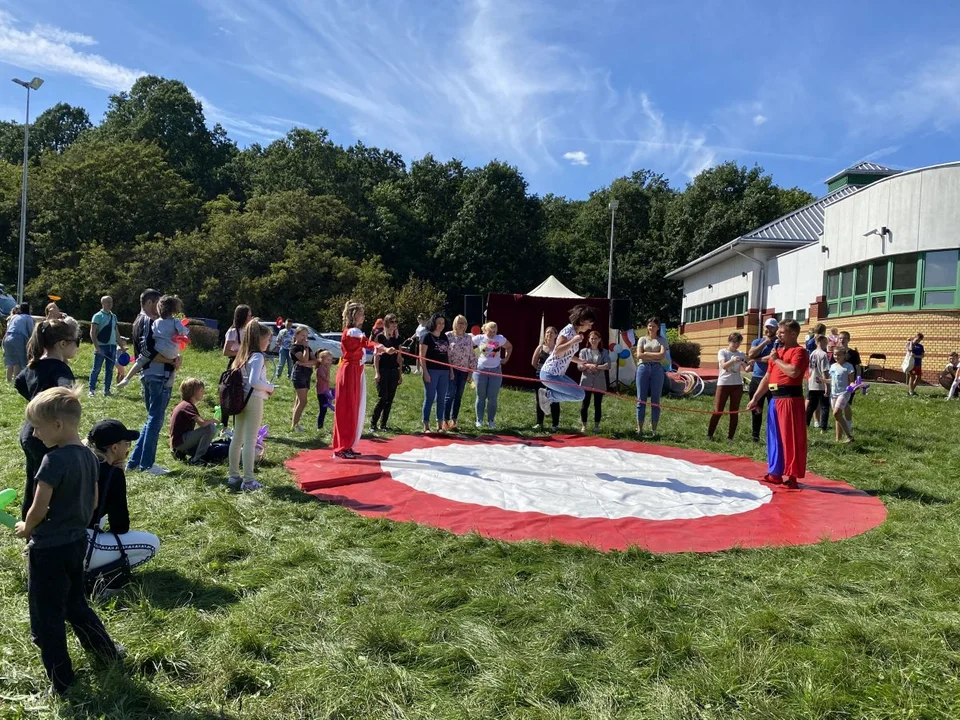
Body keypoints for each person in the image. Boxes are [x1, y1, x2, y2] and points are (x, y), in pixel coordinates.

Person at [14, 387, 121, 696]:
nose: (34, 434)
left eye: (37, 426)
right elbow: (95, 499)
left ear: (58, 426)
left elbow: (39, 505)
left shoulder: (52, 460)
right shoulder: (90, 456)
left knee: (48, 615)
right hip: (77, 543)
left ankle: (61, 681)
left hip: (48, 550)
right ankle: (106, 652)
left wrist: (27, 526)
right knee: (75, 603)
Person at [15, 318, 80, 519]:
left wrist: (36, 402)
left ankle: (27, 521)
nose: (77, 347)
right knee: (47, 484)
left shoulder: (34, 365)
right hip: (48, 434)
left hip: (30, 431)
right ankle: (40, 527)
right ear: (63, 343)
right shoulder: (60, 368)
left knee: (33, 478)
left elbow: (19, 382)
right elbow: (66, 391)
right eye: (76, 342)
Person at [85, 419, 161, 579]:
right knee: (152, 544)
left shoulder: (81, 461)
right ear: (114, 447)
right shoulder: (113, 474)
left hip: (57, 540)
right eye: (126, 443)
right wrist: (118, 474)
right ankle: (102, 577)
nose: (128, 447)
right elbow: (120, 526)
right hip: (81, 545)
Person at [123, 290, 182, 476]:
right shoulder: (149, 322)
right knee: (155, 420)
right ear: (149, 302)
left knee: (151, 420)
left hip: (148, 375)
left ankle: (133, 462)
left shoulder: (138, 321)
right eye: (157, 304)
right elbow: (147, 351)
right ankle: (147, 464)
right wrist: (172, 361)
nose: (160, 309)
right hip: (157, 375)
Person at [746, 319, 809, 489]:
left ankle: (793, 475)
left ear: (793, 334)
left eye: (782, 332)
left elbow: (794, 372)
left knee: (790, 438)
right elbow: (767, 378)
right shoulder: (777, 352)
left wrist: (777, 359)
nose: (778, 335)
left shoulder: (800, 352)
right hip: (775, 398)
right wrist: (755, 398)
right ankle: (775, 472)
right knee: (774, 438)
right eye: (779, 332)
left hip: (790, 399)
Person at [332, 301, 395, 458]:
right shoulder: (352, 331)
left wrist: (382, 349)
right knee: (347, 409)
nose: (364, 317)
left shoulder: (354, 331)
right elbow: (367, 343)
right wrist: (384, 348)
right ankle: (342, 447)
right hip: (349, 372)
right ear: (354, 315)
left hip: (355, 372)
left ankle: (347, 444)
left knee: (353, 408)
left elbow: (364, 345)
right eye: (361, 313)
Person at [227, 318, 275, 490]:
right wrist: (269, 387)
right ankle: (248, 480)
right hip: (253, 400)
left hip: (240, 400)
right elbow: (255, 381)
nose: (269, 342)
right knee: (250, 440)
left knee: (237, 438)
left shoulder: (242, 355)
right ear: (259, 339)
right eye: (268, 339)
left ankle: (233, 476)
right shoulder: (258, 356)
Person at [116, 295, 188, 389]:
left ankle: (127, 378)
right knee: (176, 359)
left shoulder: (156, 322)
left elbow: (153, 334)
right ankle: (170, 380)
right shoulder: (175, 321)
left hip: (158, 349)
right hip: (172, 351)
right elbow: (184, 332)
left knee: (141, 360)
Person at [537, 305, 597, 416]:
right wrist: (573, 341)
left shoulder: (575, 333)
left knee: (579, 394)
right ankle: (548, 396)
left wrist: (582, 362)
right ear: (583, 321)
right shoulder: (568, 331)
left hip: (558, 374)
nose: (590, 328)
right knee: (580, 395)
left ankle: (548, 396)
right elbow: (557, 351)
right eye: (590, 324)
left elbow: (567, 355)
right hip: (550, 374)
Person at [472, 321, 513, 430]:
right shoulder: (479, 338)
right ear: (485, 330)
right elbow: (468, 345)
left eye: (494, 331)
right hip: (481, 370)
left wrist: (506, 358)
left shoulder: (500, 339)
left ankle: (491, 421)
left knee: (492, 398)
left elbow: (509, 347)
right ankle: (479, 420)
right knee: (480, 396)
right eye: (490, 331)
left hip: (496, 370)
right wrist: (472, 359)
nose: (492, 334)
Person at [708, 332, 746, 441]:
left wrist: (748, 364)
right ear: (729, 341)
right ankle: (709, 434)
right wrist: (733, 360)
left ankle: (730, 437)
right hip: (724, 383)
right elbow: (723, 366)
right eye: (733, 342)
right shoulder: (723, 352)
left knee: (734, 412)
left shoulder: (741, 354)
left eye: (738, 342)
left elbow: (746, 368)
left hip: (737, 385)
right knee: (718, 410)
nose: (735, 344)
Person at [170, 378, 218, 463]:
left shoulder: (183, 404)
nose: (203, 393)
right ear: (193, 392)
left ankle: (180, 453)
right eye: (201, 391)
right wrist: (213, 421)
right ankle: (197, 459)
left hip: (178, 442)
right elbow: (202, 423)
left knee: (210, 451)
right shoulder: (187, 406)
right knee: (211, 428)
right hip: (180, 442)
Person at [634, 317, 669, 436]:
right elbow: (639, 355)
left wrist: (646, 354)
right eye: (649, 325)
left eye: (654, 326)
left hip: (657, 369)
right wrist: (653, 355)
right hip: (643, 368)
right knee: (641, 400)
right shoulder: (642, 339)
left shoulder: (662, 340)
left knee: (655, 400)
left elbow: (661, 356)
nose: (651, 328)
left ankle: (654, 430)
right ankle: (640, 429)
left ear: (658, 327)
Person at [746, 318, 779, 442]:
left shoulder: (779, 343)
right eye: (767, 327)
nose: (768, 329)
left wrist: (757, 359)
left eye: (771, 327)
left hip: (772, 381)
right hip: (757, 379)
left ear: (776, 329)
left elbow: (771, 359)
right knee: (756, 408)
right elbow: (751, 354)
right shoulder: (757, 341)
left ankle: (773, 437)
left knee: (773, 409)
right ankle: (755, 436)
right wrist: (764, 343)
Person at [419, 313, 452, 433]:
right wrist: (425, 372)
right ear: (433, 323)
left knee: (442, 398)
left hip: (444, 371)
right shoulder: (426, 337)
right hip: (431, 371)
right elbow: (421, 356)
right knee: (430, 397)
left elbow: (447, 355)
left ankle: (439, 425)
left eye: (443, 323)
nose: (441, 325)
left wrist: (451, 370)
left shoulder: (444, 337)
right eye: (438, 323)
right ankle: (426, 425)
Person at [88, 296, 125, 398]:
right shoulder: (97, 316)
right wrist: (96, 346)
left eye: (111, 302)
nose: (110, 304)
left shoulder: (114, 317)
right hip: (101, 346)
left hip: (112, 346)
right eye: (107, 302)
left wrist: (122, 347)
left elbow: (117, 333)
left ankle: (107, 390)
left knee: (110, 369)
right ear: (102, 303)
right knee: (96, 369)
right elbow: (92, 332)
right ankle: (91, 390)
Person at [371, 314, 403, 431]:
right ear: (386, 323)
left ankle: (383, 424)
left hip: (394, 370)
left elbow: (399, 357)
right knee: (382, 398)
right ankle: (373, 424)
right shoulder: (380, 337)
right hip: (383, 370)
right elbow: (376, 356)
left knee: (390, 398)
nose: (394, 324)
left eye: (395, 322)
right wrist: (377, 372)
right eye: (391, 322)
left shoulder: (398, 339)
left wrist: (400, 374)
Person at [444, 315, 474, 431]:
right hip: (451, 370)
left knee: (458, 396)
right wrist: (450, 370)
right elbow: (445, 354)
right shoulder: (448, 335)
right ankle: (445, 421)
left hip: (464, 371)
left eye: (463, 323)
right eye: (459, 322)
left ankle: (454, 421)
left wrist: (471, 371)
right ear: (455, 324)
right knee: (449, 395)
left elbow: (471, 354)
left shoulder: (468, 337)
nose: (461, 325)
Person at [577, 330, 610, 434]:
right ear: (589, 340)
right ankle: (584, 425)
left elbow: (608, 365)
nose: (594, 340)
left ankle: (596, 425)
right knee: (585, 404)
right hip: (586, 381)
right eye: (592, 338)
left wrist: (596, 366)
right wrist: (587, 366)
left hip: (599, 382)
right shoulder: (583, 351)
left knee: (597, 404)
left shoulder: (604, 352)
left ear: (599, 339)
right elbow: (580, 365)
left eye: (596, 338)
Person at [532, 326, 561, 431]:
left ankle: (555, 424)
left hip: (554, 378)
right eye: (547, 332)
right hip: (540, 377)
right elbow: (534, 362)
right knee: (540, 399)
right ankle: (539, 423)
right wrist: (541, 371)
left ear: (556, 335)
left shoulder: (558, 348)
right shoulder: (540, 347)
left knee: (554, 399)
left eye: (552, 332)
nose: (549, 334)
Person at [290, 327, 316, 432]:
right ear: (296, 335)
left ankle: (294, 422)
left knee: (298, 400)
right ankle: (295, 425)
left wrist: (306, 363)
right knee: (303, 401)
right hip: (299, 374)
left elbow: (315, 361)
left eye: (306, 336)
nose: (304, 338)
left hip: (307, 374)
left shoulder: (307, 348)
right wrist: (305, 348)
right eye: (302, 335)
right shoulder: (295, 348)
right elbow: (304, 358)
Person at [829, 347, 856, 443]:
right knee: (837, 416)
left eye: (839, 354)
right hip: (833, 394)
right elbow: (831, 380)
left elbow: (852, 381)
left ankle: (849, 436)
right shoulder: (832, 366)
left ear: (844, 355)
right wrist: (821, 381)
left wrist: (853, 386)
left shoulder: (848, 367)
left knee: (836, 413)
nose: (836, 356)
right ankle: (838, 440)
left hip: (844, 393)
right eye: (835, 354)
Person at [805, 335, 830, 432]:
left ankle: (805, 424)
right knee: (824, 406)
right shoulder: (823, 354)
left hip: (812, 383)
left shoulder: (812, 354)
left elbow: (810, 369)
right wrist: (827, 386)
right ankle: (823, 427)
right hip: (821, 384)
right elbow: (825, 371)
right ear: (823, 342)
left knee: (811, 406)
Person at [3, 301, 33, 381]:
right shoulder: (28, 318)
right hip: (18, 338)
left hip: (8, 337)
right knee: (18, 361)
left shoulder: (14, 317)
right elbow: (31, 331)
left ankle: (8, 380)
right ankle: (16, 380)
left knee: (10, 360)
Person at [223, 304, 251, 371]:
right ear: (243, 316)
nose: (250, 318)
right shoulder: (233, 331)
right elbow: (226, 352)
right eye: (248, 315)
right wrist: (242, 353)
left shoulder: (246, 330)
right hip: (235, 364)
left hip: (245, 362)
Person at [315, 351, 335, 430]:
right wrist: (329, 370)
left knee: (325, 410)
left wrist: (330, 388)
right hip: (321, 393)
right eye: (327, 360)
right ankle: (319, 426)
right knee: (323, 409)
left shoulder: (324, 368)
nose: (329, 362)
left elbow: (325, 383)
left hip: (325, 391)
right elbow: (326, 379)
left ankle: (321, 425)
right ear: (321, 360)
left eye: (330, 360)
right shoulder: (320, 370)